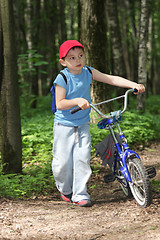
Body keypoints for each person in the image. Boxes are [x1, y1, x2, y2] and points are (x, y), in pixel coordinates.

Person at [52, 40, 145, 207]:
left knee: (82, 158)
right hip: (63, 125)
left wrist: (133, 85)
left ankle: (81, 194)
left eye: (80, 56)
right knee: (62, 164)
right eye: (72, 58)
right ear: (63, 61)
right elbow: (60, 103)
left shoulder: (88, 72)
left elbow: (111, 79)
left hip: (82, 124)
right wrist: (77, 101)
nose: (77, 60)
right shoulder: (63, 77)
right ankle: (65, 189)